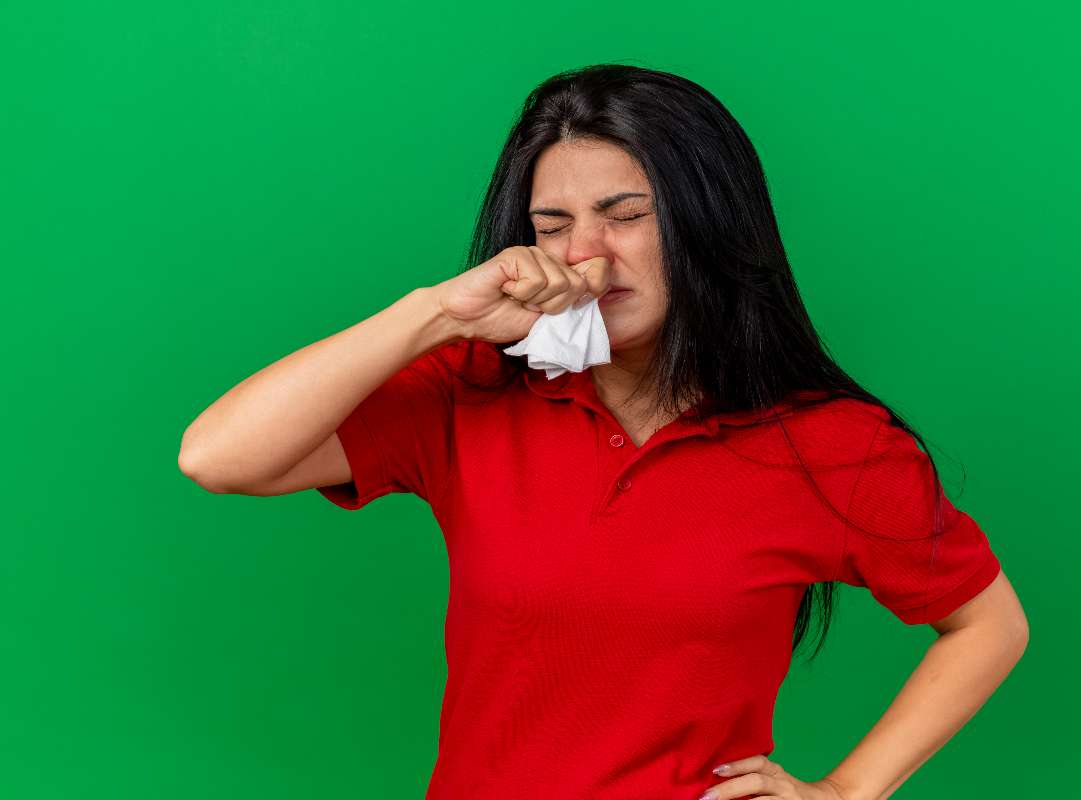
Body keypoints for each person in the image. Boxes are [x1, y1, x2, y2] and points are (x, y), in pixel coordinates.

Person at [179, 64, 1029, 800]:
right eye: (552, 226)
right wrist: (434, 313)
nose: (584, 255)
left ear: (708, 221)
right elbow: (216, 456)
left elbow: (990, 624)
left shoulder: (834, 445)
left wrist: (848, 788)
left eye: (625, 214)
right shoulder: (469, 396)